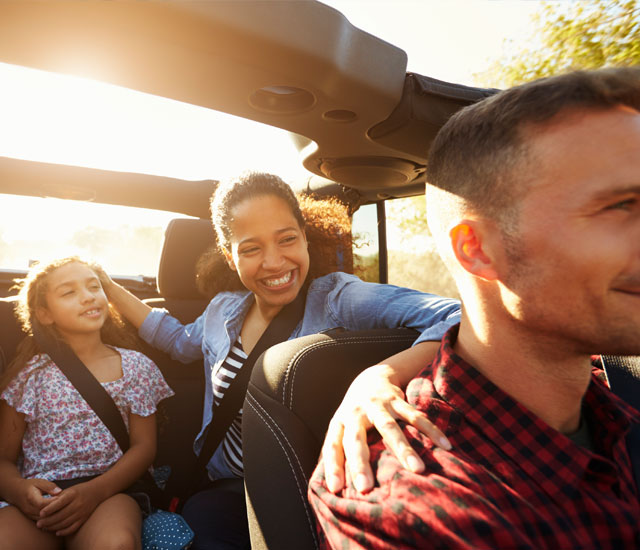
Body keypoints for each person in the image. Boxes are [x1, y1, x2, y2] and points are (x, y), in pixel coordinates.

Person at [309, 67, 640, 549]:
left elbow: (445, 314)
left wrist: (376, 373)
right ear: (478, 250)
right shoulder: (400, 508)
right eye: (618, 207)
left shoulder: (614, 398)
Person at [105, 172, 462, 549]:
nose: (274, 263)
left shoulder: (338, 298)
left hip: (312, 485)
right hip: (226, 486)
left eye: (287, 239)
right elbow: (177, 341)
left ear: (305, 238)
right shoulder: (221, 311)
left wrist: (380, 376)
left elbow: (457, 314)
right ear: (230, 256)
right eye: (251, 248)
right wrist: (107, 286)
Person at [0, 257, 174, 550]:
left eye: (94, 287)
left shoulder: (135, 367)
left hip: (110, 491)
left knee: (116, 543)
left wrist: (95, 492)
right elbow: (4, 458)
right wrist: (18, 491)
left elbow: (144, 448)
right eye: (69, 292)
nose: (88, 296)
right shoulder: (30, 375)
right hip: (41, 497)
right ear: (44, 314)